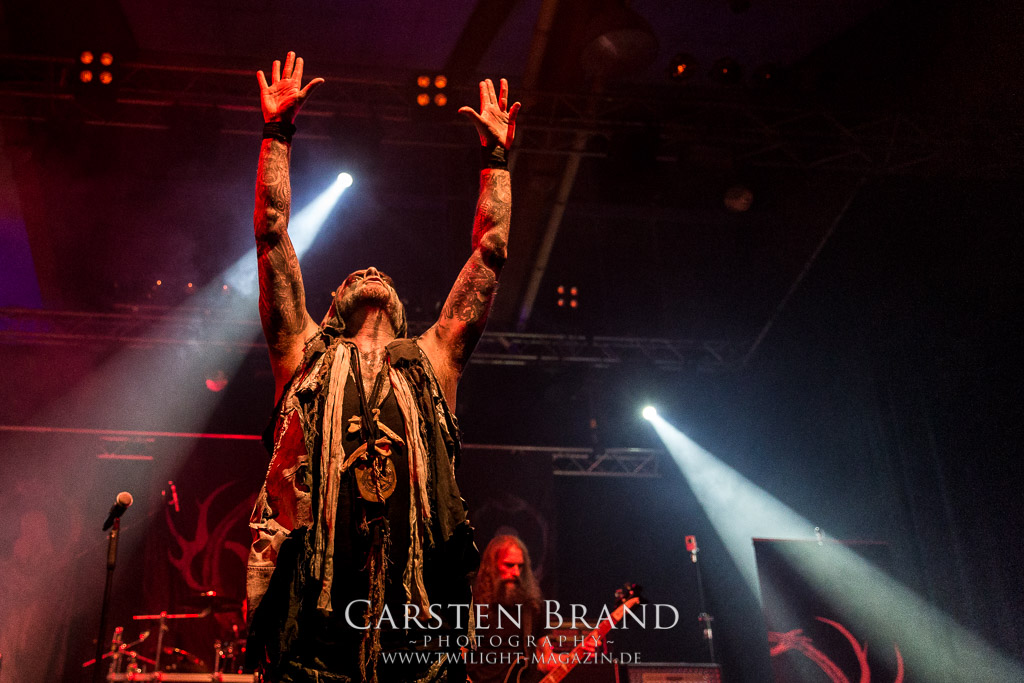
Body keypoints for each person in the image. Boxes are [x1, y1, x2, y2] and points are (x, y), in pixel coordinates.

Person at [244, 51, 520, 683]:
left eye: (381, 274)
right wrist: (276, 133)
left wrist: (496, 160)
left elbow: (491, 252)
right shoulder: (306, 354)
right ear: (332, 305)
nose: (370, 271)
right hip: (315, 640)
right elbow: (272, 233)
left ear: (401, 308)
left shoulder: (432, 361)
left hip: (412, 639)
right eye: (355, 274)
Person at [467, 536, 556, 683]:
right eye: (509, 565)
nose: (516, 572)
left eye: (520, 566)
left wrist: (578, 653)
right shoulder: (473, 604)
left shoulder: (533, 605)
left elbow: (546, 657)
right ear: (492, 565)